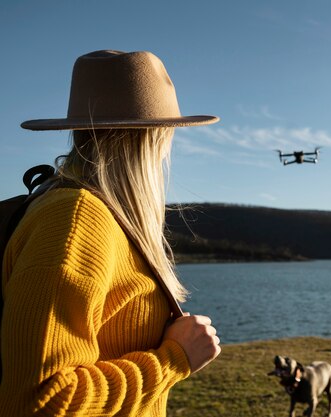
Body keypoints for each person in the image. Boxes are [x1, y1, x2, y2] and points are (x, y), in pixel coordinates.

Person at [0, 50, 222, 416]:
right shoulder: (76, 220)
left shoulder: (89, 212)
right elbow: (39, 402)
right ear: (156, 137)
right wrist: (173, 359)